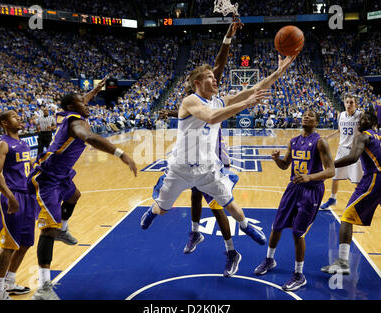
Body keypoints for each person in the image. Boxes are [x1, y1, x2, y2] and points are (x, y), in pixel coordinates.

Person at [141, 54, 298, 261]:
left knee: (229, 203)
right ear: (197, 83)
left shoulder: (219, 100)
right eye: (209, 76)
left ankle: (245, 226)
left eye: (214, 77)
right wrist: (246, 104)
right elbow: (212, 116)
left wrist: (279, 71)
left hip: (207, 168)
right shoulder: (190, 101)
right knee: (162, 209)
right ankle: (152, 211)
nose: (215, 79)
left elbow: (255, 89)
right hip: (180, 168)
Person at [27, 84, 137, 300]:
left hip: (62, 174)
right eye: (82, 101)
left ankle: (63, 229)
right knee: (48, 229)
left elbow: (83, 98)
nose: (87, 103)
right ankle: (43, 288)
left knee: (74, 196)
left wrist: (96, 89)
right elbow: (90, 138)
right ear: (72, 106)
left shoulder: (67, 112)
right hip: (47, 178)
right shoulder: (76, 123)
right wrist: (120, 153)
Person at [160, 18, 243, 277]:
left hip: (215, 158)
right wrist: (171, 112)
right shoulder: (191, 100)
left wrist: (228, 38)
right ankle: (195, 233)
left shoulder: (211, 96)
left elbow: (219, 64)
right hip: (195, 159)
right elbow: (190, 114)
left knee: (217, 207)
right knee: (194, 194)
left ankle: (231, 252)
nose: (210, 78)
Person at [254, 110, 335, 291]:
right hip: (293, 188)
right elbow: (285, 166)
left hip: (311, 191)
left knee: (298, 233)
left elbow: (331, 171)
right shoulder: (294, 141)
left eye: (311, 115)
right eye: (304, 114)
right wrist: (276, 159)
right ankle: (269, 260)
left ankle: (299, 275)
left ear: (316, 122)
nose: (306, 116)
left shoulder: (320, 142)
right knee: (277, 225)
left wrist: (310, 177)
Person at [321, 109, 381, 275]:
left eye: (364, 119)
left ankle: (342, 262)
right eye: (360, 119)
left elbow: (353, 157)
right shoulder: (378, 137)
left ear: (374, 123)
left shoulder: (362, 136)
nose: (360, 121)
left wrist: (332, 165)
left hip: (374, 178)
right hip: (375, 178)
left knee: (347, 217)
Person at [0, 111, 37, 300]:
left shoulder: (23, 143)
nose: (19, 118)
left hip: (27, 196)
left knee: (25, 243)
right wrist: (10, 197)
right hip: (12, 196)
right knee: (10, 245)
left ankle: (10, 282)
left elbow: (25, 168)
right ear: (4, 123)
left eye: (19, 116)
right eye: (13, 117)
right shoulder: (2, 144)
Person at [320, 93, 363, 210]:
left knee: (357, 180)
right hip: (342, 150)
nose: (349, 104)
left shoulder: (360, 115)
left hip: (355, 152)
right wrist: (328, 137)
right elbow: (340, 130)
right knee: (335, 176)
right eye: (347, 102)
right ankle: (333, 198)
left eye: (351, 102)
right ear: (344, 103)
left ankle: (361, 202)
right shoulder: (341, 115)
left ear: (355, 104)